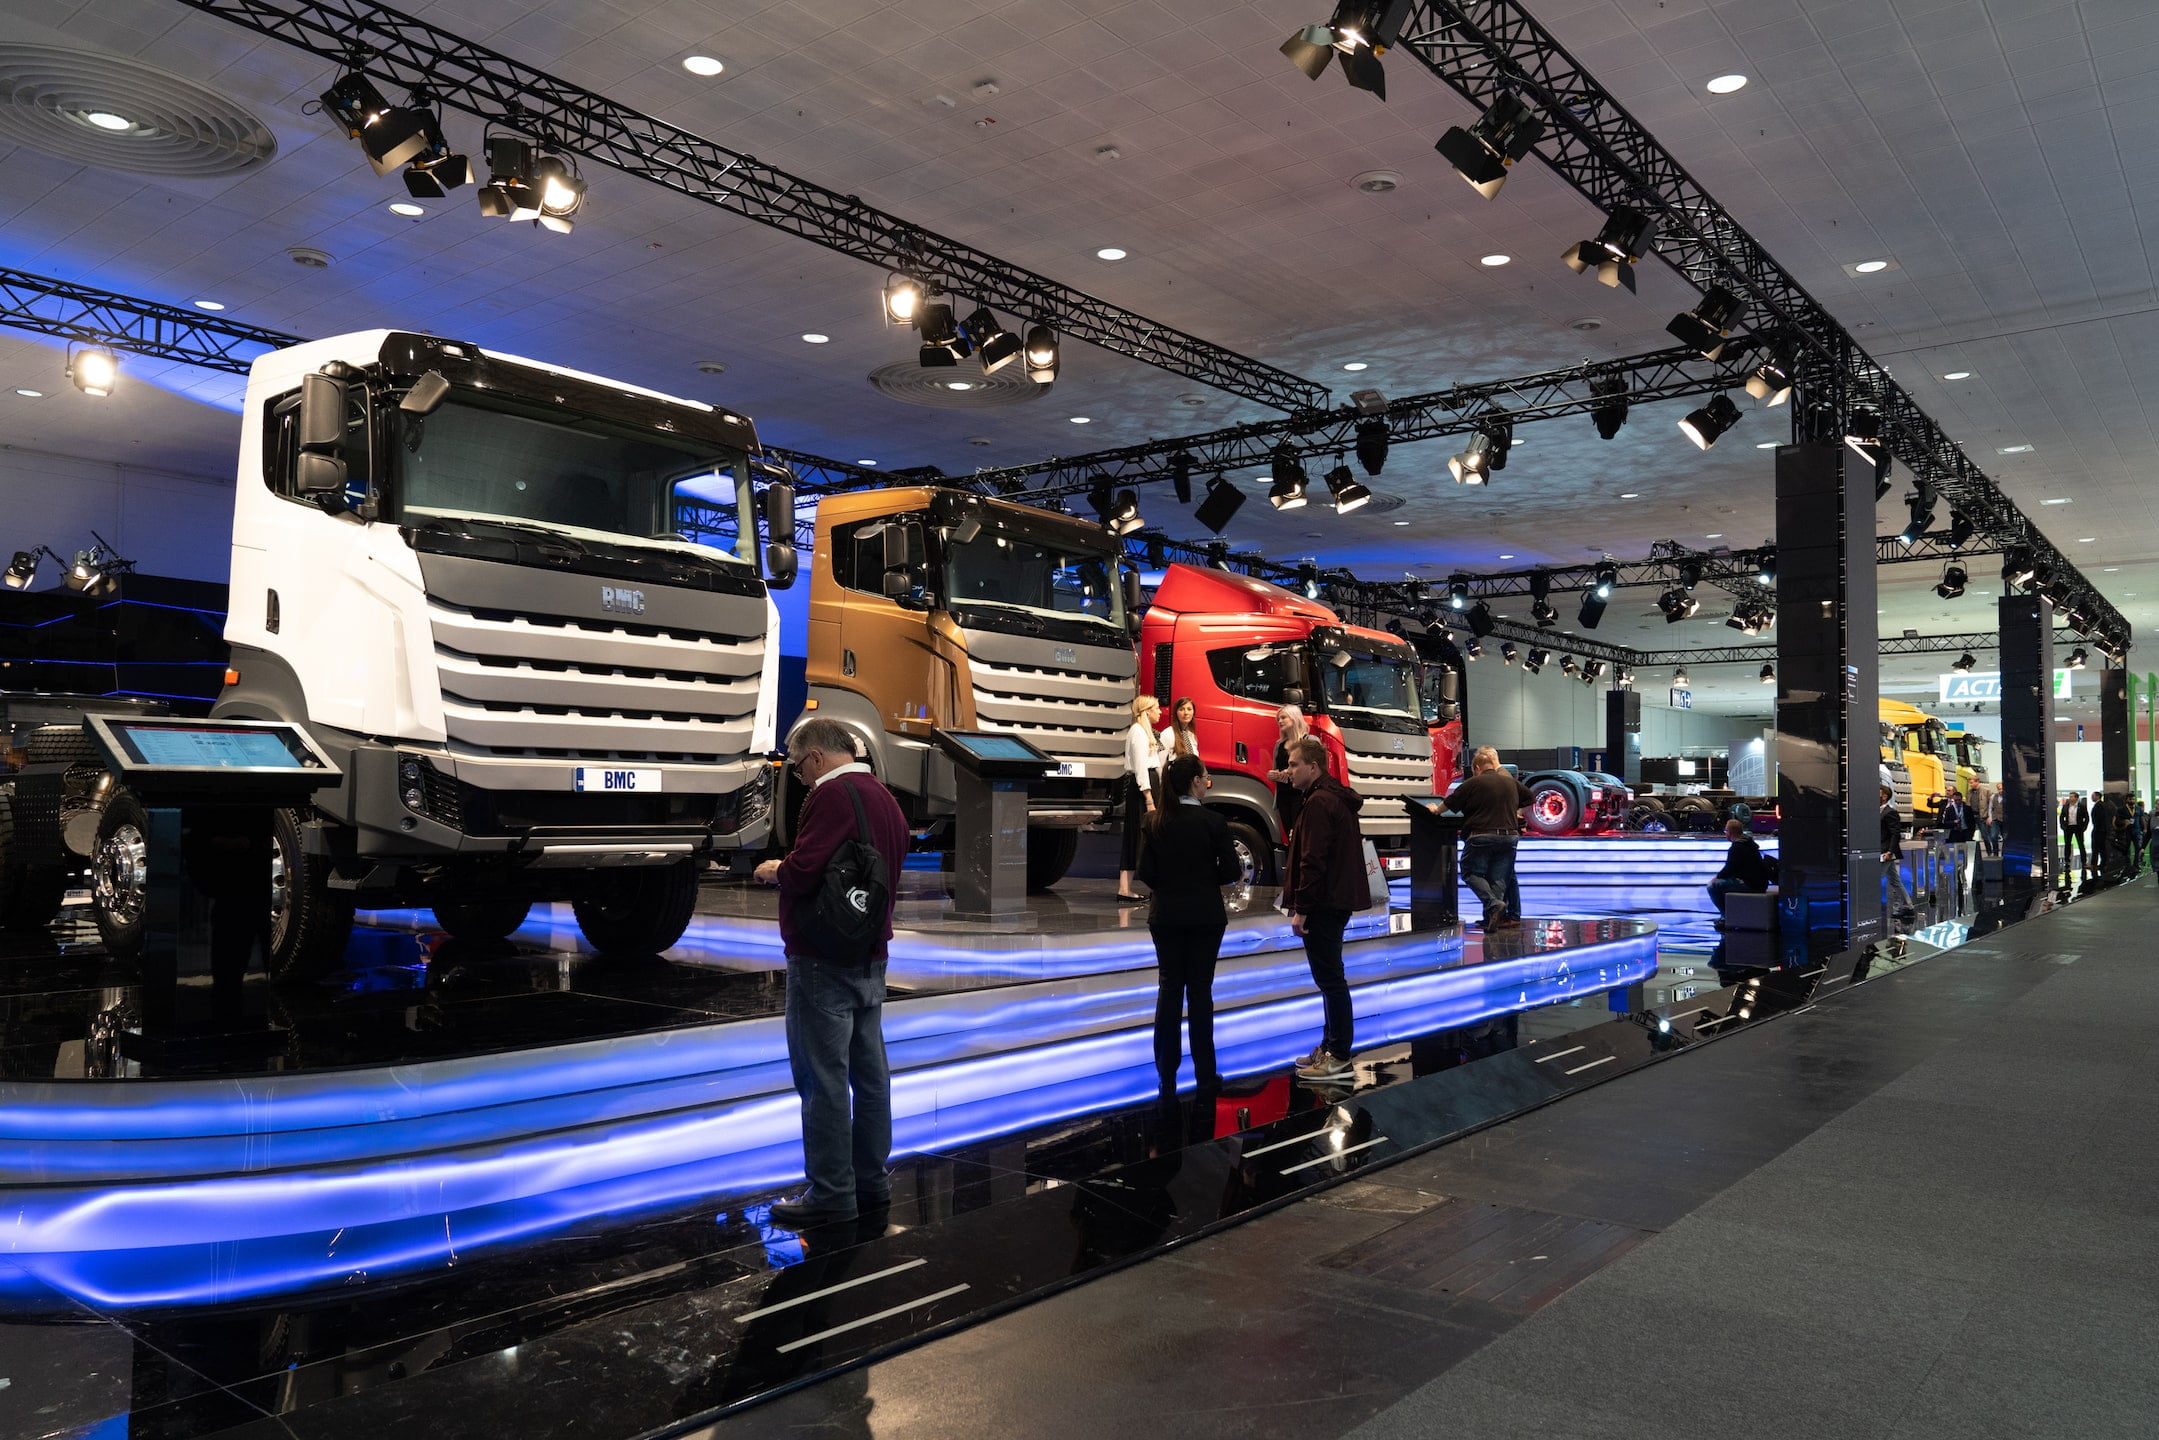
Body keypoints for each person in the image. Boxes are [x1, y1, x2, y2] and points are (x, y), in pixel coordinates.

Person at [752, 717, 909, 1229]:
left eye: (799, 768)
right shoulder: (884, 796)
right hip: (871, 953)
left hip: (822, 957)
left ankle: (832, 1193)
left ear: (817, 757)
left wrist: (775, 869)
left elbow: (804, 871)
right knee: (871, 1076)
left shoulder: (830, 796)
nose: (801, 778)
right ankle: (871, 1181)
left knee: (822, 1080)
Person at [1138, 753, 1241, 1092]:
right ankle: (1205, 1072)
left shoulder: (1154, 822)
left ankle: (1166, 1071)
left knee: (1169, 989)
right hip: (1205, 916)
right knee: (1200, 992)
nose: (1207, 782)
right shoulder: (1214, 822)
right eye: (1205, 777)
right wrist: (1204, 879)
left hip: (1166, 915)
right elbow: (1231, 871)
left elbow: (1146, 872)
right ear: (1195, 782)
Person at [1282, 735, 1367, 1083]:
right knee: (1330, 978)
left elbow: (1312, 860)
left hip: (1323, 904)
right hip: (1333, 901)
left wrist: (1301, 908)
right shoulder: (1331, 797)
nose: (1288, 771)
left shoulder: (1319, 802)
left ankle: (1338, 1056)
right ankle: (1330, 1047)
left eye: (1294, 764)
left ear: (1313, 767)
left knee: (1330, 980)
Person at [1444, 746, 1534, 931]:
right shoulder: (1508, 779)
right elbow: (1530, 797)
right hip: (1509, 836)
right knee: (1499, 879)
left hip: (1483, 834)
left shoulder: (1479, 781)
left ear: (1478, 767)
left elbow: (1450, 802)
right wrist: (1515, 815)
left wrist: (1436, 810)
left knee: (1472, 872)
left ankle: (1497, 908)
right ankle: (1493, 918)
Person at [1118, 695, 1165, 902]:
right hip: (1142, 789)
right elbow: (1140, 767)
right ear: (1147, 711)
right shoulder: (1137, 731)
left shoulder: (1146, 732)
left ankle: (1144, 886)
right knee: (1136, 835)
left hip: (1149, 785)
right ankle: (1125, 888)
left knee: (1149, 835)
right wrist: (1148, 797)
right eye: (1156, 708)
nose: (1160, 711)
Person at [1707, 817, 1773, 922]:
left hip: (1751, 885)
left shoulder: (1737, 847)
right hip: (1760, 883)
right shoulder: (1748, 843)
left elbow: (1729, 869)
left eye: (1726, 831)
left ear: (1730, 832)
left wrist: (1717, 877)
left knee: (1713, 886)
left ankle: (1726, 916)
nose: (1725, 833)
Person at [1265, 704, 1310, 838]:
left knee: (1300, 836)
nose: (1280, 721)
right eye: (1278, 719)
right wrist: (1272, 775)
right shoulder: (1279, 745)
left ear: (1294, 718)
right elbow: (1275, 768)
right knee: (1290, 836)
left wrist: (1290, 771)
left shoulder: (1308, 742)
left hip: (1300, 796)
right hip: (1283, 797)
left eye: (1283, 717)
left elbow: (1313, 769)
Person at [1881, 784, 1916, 922]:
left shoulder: (1890, 812)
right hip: (1882, 851)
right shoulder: (1877, 811)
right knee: (1895, 880)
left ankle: (1867, 909)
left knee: (1875, 878)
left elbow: (1895, 834)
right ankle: (1908, 906)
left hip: (1886, 852)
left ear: (1885, 796)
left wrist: (1890, 851)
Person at [1937, 786, 1974, 906]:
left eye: (1959, 800)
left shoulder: (1967, 808)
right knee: (1954, 854)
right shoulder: (1949, 810)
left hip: (1964, 833)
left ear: (1961, 799)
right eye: (1955, 800)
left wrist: (1970, 834)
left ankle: (1964, 871)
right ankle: (1955, 872)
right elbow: (1945, 823)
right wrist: (1953, 823)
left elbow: (1972, 822)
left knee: (1964, 854)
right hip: (1954, 833)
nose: (1957, 802)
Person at [2059, 789, 2089, 878]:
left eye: (2072, 796)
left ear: (2076, 798)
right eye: (2070, 796)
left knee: (2080, 844)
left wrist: (2083, 827)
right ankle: (2067, 861)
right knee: (2067, 844)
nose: (2070, 798)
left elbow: (2086, 818)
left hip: (2078, 827)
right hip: (2068, 827)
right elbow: (2062, 817)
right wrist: (2063, 826)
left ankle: (2083, 861)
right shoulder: (2066, 806)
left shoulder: (2081, 806)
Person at [1165, 696, 1202, 763]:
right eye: (1181, 709)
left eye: (1189, 709)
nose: (1186, 713)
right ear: (1176, 713)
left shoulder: (1192, 736)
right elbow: (1160, 764)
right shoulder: (1167, 734)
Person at [1980, 782, 2003, 858]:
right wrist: (1990, 817)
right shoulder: (1993, 796)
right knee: (1993, 836)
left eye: (2002, 788)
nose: (2001, 790)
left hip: (2004, 820)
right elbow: (1990, 808)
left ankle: (2004, 853)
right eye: (1999, 789)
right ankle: (1995, 853)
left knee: (2005, 837)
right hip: (1995, 819)